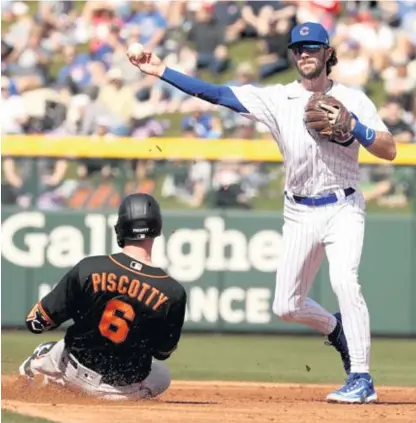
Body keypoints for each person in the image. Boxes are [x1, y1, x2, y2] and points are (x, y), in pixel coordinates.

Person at [127, 22, 396, 404]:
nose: (305, 53)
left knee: (345, 280)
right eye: (298, 48)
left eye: (312, 47)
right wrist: (160, 70)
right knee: (286, 305)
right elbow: (217, 93)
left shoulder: (354, 98)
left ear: (327, 53)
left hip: (344, 205)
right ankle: (337, 329)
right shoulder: (277, 99)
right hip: (299, 211)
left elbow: (389, 149)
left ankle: (362, 377)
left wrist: (356, 128)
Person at [19, 193, 187, 401]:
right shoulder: (173, 291)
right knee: (162, 375)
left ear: (121, 227)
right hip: (121, 391)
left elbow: (35, 323)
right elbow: (163, 352)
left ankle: (40, 370)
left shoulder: (89, 268)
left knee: (49, 348)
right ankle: (132, 400)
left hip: (71, 372)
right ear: (157, 228)